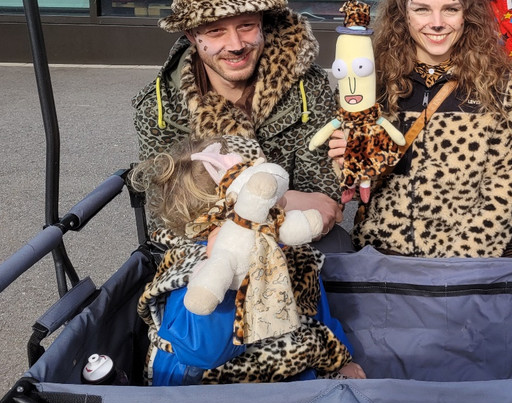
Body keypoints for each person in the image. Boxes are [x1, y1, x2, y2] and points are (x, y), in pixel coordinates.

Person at [132, 0, 348, 250]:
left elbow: (325, 198)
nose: (235, 44)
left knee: (341, 258)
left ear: (262, 22)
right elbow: (168, 221)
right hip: (209, 254)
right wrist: (283, 199)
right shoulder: (159, 108)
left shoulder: (305, 85)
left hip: (301, 242)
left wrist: (232, 207)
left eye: (246, 25)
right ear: (192, 36)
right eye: (216, 31)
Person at [333, 0, 512, 258]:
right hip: (387, 247)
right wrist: (349, 168)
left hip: (472, 250)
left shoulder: (500, 85)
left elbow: (505, 190)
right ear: (403, 13)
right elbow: (354, 189)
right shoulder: (375, 80)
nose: (436, 23)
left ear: (467, 14)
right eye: (422, 9)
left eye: (450, 9)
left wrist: (457, 261)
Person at [132, 135, 365, 385]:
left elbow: (316, 312)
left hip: (281, 363)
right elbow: (200, 351)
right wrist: (228, 273)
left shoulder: (284, 248)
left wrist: (340, 359)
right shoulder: (191, 268)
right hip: (206, 386)